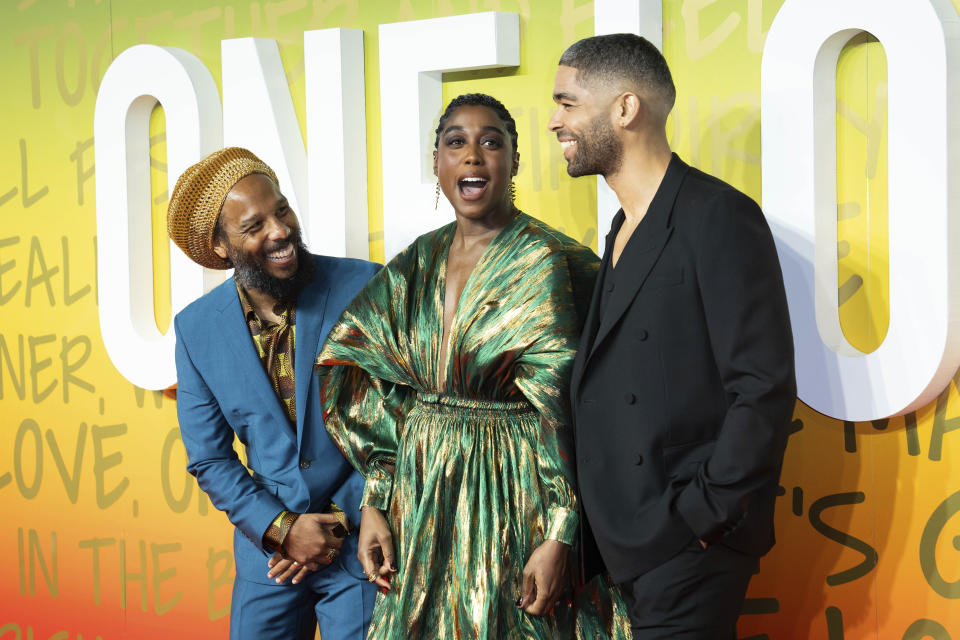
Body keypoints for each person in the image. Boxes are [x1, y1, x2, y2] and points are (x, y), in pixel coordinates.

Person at [316, 94, 630, 639]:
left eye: (491, 142)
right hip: (422, 496)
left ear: (514, 162)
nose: (473, 156)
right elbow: (370, 382)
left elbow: (569, 412)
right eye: (456, 142)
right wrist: (377, 499)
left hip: (511, 492)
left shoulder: (542, 259)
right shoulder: (416, 263)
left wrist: (560, 532)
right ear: (436, 162)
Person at [549, 34, 796, 639]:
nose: (555, 122)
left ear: (625, 109)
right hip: (627, 546)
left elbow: (762, 387)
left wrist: (700, 517)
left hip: (686, 549)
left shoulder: (718, 216)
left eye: (568, 103)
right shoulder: (621, 226)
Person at [167, 147, 379, 640]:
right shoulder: (196, 329)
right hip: (269, 552)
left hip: (362, 538)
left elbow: (400, 418)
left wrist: (338, 523)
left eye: (281, 210)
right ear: (221, 248)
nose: (279, 230)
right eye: (254, 225)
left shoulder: (364, 285)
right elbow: (210, 459)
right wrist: (283, 531)